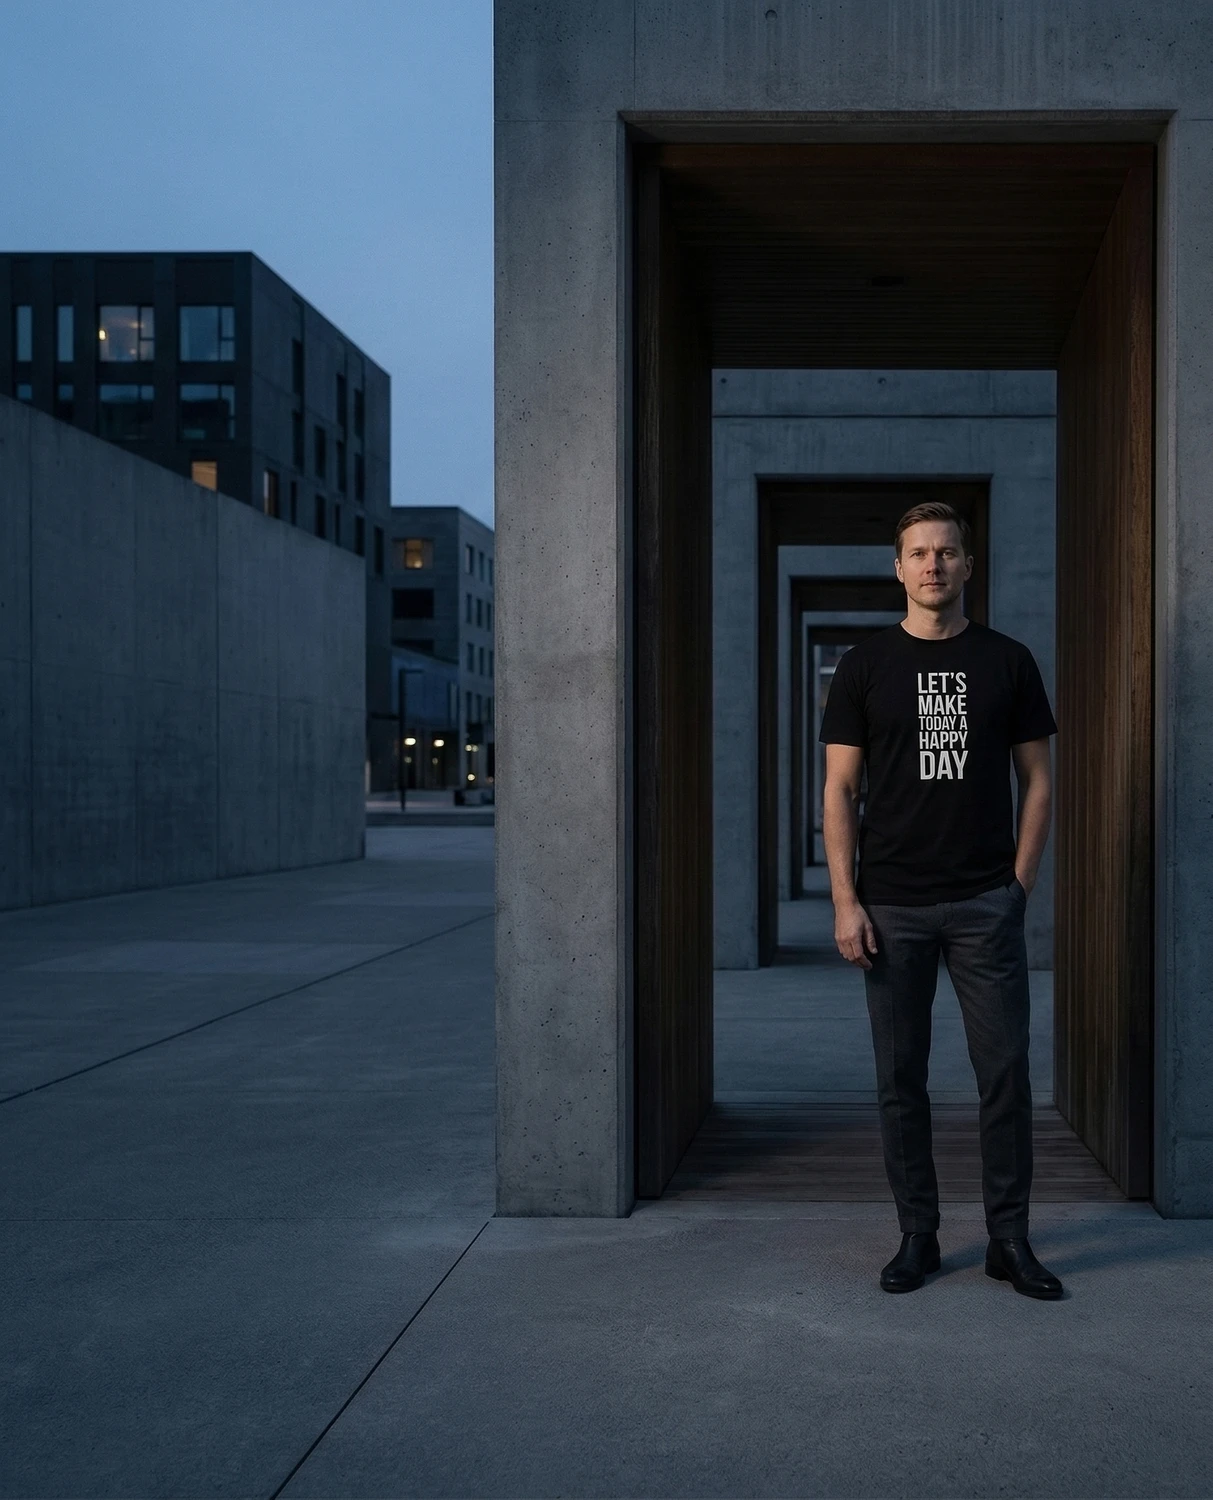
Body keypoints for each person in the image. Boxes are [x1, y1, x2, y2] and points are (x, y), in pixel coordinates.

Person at [818, 500, 1064, 1299]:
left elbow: (1037, 781)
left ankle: (1008, 1239)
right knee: (901, 1079)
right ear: (898, 568)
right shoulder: (863, 666)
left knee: (1004, 1075)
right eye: (918, 553)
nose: (933, 565)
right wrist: (844, 902)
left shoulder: (1007, 661)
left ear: (967, 565)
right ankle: (917, 1235)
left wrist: (1017, 885)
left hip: (983, 903)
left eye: (946, 552)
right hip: (890, 907)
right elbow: (839, 790)